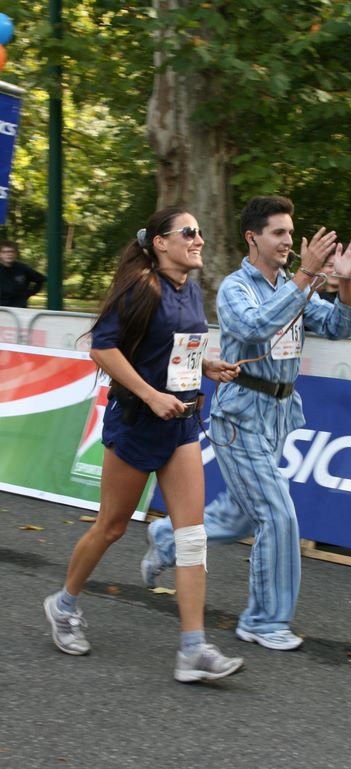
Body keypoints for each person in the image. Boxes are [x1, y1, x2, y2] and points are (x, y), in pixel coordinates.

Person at [142, 195, 351, 650]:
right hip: (239, 418)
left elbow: (340, 327)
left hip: (278, 418)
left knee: (242, 514)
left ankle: (167, 537)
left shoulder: (295, 284)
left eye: (290, 232)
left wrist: (343, 283)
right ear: (253, 237)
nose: (288, 241)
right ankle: (262, 621)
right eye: (278, 233)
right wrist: (307, 278)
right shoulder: (234, 288)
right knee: (277, 516)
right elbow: (258, 326)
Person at [43, 206, 244, 683]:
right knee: (111, 527)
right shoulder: (143, 287)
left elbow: (177, 352)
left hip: (181, 428)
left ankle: (193, 649)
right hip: (136, 423)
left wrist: (206, 368)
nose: (198, 240)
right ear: (160, 242)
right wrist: (151, 395)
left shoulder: (189, 289)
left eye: (200, 232)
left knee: (191, 537)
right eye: (189, 232)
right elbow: (102, 346)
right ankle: (64, 604)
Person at [0, 240, 46, 307]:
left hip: (20, 308)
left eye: (12, 251)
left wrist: (29, 293)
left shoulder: (23, 268)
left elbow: (40, 279)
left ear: (15, 254)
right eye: (5, 252)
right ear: (0, 254)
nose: (9, 254)